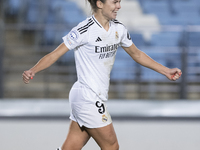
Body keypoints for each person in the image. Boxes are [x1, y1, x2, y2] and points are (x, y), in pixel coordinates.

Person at [22, 0, 182, 150]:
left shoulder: (119, 29)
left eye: (119, 2)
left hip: (90, 96)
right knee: (112, 146)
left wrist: (166, 71)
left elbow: (137, 54)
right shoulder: (84, 30)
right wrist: (33, 70)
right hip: (88, 96)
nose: (118, 6)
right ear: (99, 3)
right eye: (114, 2)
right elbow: (55, 54)